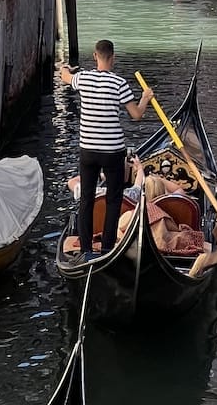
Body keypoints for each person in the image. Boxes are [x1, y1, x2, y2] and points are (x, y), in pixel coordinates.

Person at [60, 40, 154, 260]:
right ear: (113, 58)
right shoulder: (119, 83)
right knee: (113, 200)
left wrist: (66, 68)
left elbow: (64, 76)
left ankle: (85, 250)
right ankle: (107, 249)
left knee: (86, 200)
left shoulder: (82, 78)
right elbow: (137, 115)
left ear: (95, 56)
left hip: (88, 151)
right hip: (113, 152)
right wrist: (145, 98)